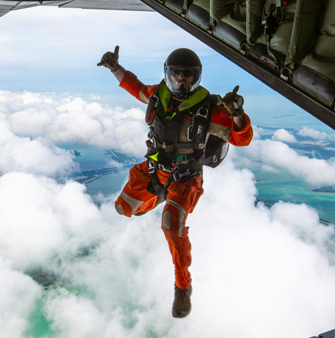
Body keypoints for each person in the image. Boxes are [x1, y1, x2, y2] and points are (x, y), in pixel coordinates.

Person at [98, 46, 253, 318]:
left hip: (186, 178)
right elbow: (135, 87)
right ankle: (160, 195)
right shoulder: (159, 95)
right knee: (123, 209)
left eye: (188, 75)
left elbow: (242, 138)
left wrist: (237, 112)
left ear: (197, 77)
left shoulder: (212, 108)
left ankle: (183, 288)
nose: (182, 79)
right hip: (155, 169)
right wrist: (114, 68)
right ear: (168, 74)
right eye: (177, 73)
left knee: (171, 225)